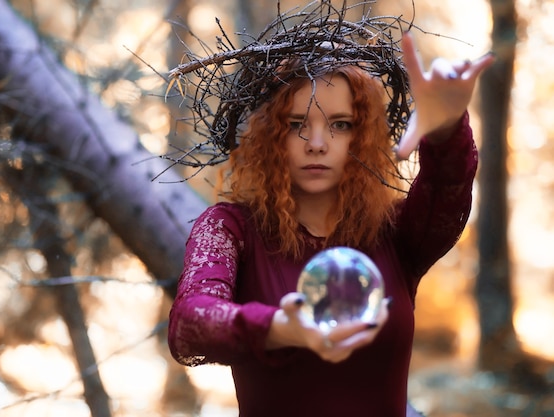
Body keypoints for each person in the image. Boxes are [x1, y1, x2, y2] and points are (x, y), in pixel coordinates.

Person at [166, 9, 495, 415]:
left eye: (340, 124)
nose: (317, 143)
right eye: (296, 124)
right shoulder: (229, 228)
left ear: (362, 134)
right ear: (269, 132)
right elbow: (190, 323)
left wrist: (446, 129)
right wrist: (277, 328)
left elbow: (449, 193)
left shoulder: (395, 232)